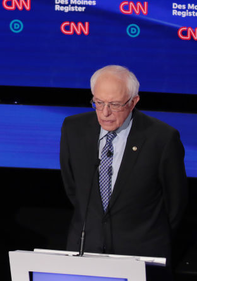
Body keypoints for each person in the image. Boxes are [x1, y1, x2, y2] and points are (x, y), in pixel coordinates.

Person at [60, 65, 188, 260]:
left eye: (115, 104)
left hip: (141, 254)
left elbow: (175, 204)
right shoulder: (73, 128)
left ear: (133, 102)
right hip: (86, 250)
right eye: (99, 102)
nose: (105, 113)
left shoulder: (161, 138)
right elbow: (73, 188)